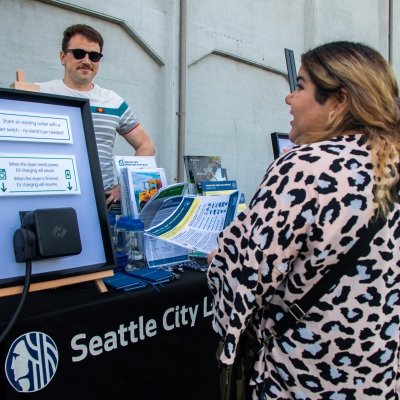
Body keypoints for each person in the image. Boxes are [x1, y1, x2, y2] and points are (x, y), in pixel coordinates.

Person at [207, 41, 400, 399]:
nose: (289, 98)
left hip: (305, 378)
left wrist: (218, 259)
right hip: (377, 376)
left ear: (339, 100)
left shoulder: (305, 166)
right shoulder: (390, 163)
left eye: (299, 86)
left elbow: (244, 282)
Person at [37, 24, 155, 206]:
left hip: (101, 204)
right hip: (50, 200)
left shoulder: (113, 102)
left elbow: (146, 145)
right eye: (78, 53)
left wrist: (123, 186)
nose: (86, 60)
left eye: (93, 56)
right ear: (63, 57)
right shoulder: (38, 93)